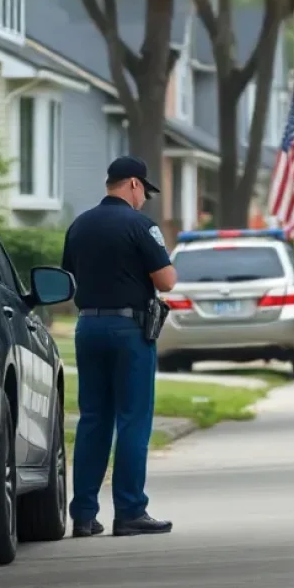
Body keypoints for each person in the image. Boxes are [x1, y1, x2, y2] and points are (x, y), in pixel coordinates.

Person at [61, 156, 178, 538]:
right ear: (132, 184)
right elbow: (166, 281)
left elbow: (70, 276)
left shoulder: (79, 225)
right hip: (128, 330)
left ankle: (83, 515)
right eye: (144, 190)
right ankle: (129, 510)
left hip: (87, 327)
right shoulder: (140, 225)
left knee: (93, 419)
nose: (144, 198)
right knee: (133, 419)